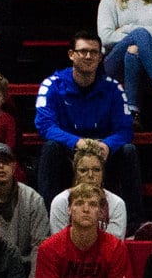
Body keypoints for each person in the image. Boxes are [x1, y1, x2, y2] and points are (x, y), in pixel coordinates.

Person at [33, 32, 144, 220]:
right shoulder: (52, 84)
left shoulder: (113, 87)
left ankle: (134, 223)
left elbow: (125, 129)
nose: (88, 56)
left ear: (100, 57)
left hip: (103, 152)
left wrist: (108, 145)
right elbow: (45, 126)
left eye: (94, 52)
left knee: (128, 150)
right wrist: (76, 142)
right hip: (69, 150)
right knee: (50, 148)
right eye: (83, 51)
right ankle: (45, 221)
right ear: (71, 54)